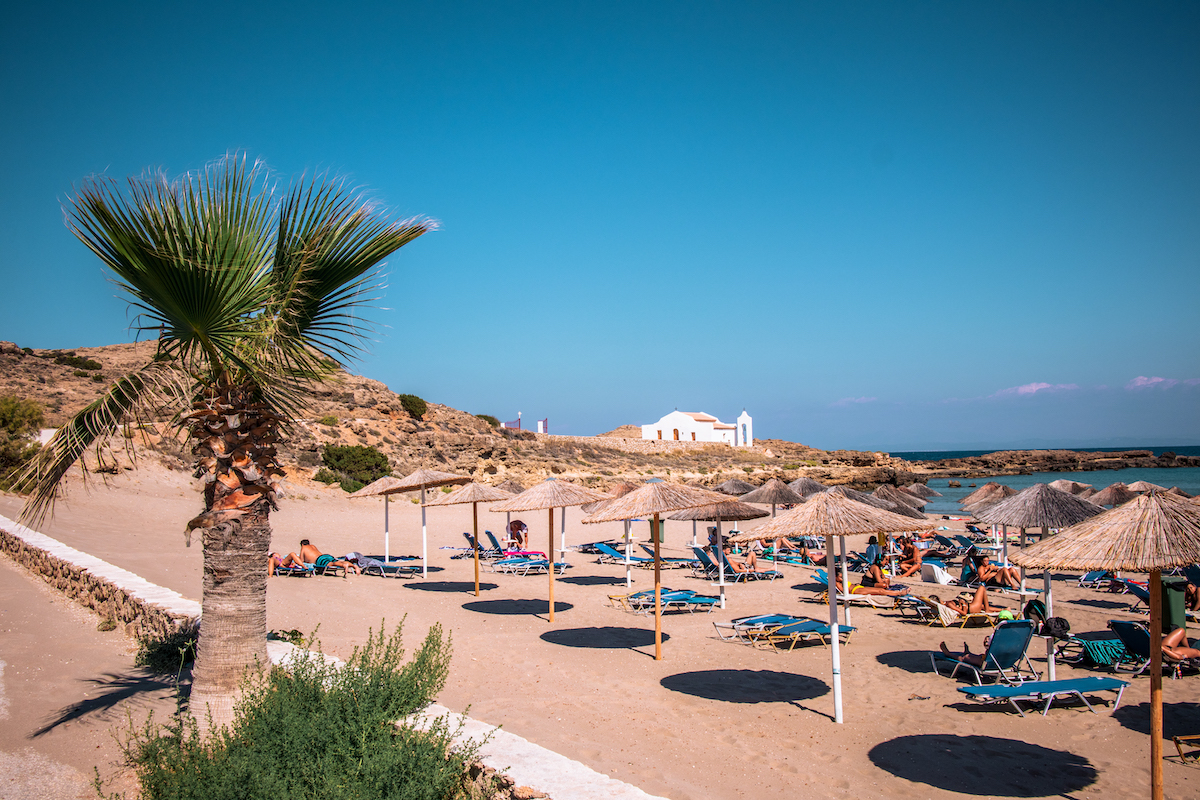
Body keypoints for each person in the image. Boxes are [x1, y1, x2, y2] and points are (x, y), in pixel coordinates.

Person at [834, 568, 907, 597]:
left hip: (858, 587)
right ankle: (899, 593)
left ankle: (896, 592)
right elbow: (844, 591)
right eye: (840, 577)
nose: (842, 578)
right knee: (879, 591)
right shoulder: (836, 583)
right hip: (855, 590)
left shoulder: (840, 581)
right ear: (835, 577)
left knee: (880, 589)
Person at [929, 586, 995, 615]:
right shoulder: (949, 604)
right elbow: (963, 613)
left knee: (983, 606)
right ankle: (987, 610)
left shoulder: (946, 605)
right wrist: (963, 603)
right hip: (972, 608)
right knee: (982, 588)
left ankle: (1003, 610)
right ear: (939, 599)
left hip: (972, 607)